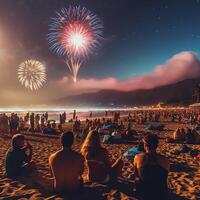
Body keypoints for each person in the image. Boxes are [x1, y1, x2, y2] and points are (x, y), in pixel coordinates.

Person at [133, 134, 170, 200]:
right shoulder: (165, 160)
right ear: (156, 145)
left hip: (144, 195)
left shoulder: (137, 157)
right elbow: (164, 178)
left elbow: (136, 176)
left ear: (145, 145)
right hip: (162, 195)